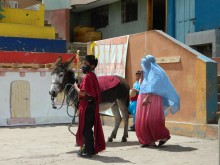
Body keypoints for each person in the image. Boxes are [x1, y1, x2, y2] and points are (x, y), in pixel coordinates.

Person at [135, 55, 180, 147]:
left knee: (151, 120)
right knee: (142, 120)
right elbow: (143, 84)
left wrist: (147, 97)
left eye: (144, 63)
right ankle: (148, 140)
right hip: (143, 96)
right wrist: (142, 75)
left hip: (152, 98)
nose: (143, 65)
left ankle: (165, 136)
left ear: (149, 63)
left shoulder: (156, 73)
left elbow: (154, 87)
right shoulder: (145, 73)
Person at [73, 55, 106, 158]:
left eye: (85, 64)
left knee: (86, 128)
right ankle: (89, 149)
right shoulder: (92, 75)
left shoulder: (88, 76)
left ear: (92, 66)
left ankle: (88, 151)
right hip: (91, 105)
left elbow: (83, 93)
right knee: (88, 128)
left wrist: (76, 87)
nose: (83, 65)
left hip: (87, 105)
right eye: (83, 63)